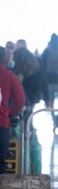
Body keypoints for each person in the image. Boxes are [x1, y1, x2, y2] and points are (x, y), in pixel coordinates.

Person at [0, 46, 26, 174]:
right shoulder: (9, 75)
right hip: (2, 123)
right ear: (5, 59)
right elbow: (20, 99)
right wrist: (10, 112)